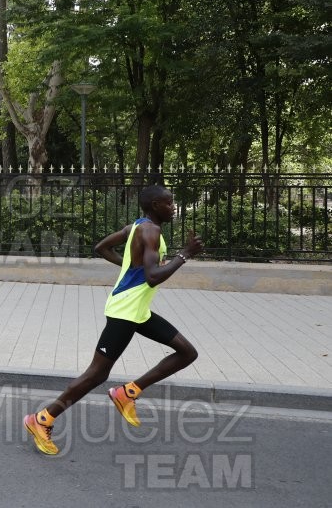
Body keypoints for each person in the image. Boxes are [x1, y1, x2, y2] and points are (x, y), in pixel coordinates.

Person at [23, 185, 204, 455]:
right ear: (155, 205)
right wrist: (185, 254)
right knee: (96, 374)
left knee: (187, 352)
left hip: (136, 311)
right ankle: (42, 420)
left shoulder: (135, 227)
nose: (173, 206)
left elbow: (101, 248)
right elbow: (154, 275)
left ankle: (128, 392)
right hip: (125, 312)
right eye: (169, 202)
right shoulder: (150, 230)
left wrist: (131, 269)